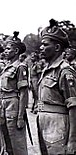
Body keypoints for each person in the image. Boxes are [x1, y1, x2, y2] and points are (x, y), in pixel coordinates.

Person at [37, 19, 76, 154]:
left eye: (45, 44)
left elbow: (73, 107)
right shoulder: (47, 69)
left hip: (58, 126)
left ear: (57, 48)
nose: (41, 48)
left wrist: (73, 140)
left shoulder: (65, 71)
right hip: (45, 124)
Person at [0, 31, 29, 155]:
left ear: (16, 51)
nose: (5, 51)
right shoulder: (7, 66)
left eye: (8, 49)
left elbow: (23, 93)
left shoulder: (20, 67)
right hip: (4, 105)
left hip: (14, 105)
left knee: (17, 143)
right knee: (7, 142)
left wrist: (20, 117)